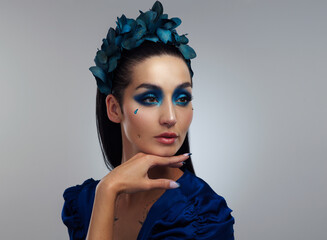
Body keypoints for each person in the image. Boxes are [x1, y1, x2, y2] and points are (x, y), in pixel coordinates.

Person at [61, 1, 235, 239]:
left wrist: (108, 189)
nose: (171, 117)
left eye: (182, 98)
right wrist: (107, 192)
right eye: (150, 98)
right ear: (114, 108)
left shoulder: (203, 217)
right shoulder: (86, 201)